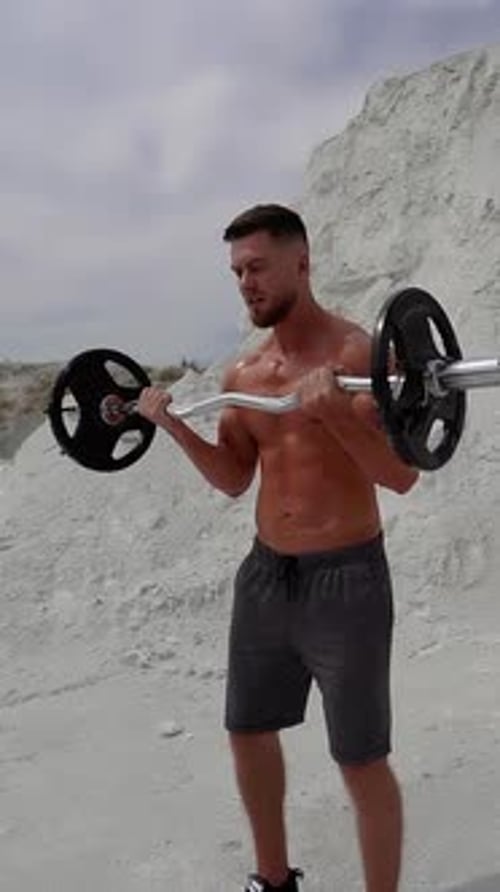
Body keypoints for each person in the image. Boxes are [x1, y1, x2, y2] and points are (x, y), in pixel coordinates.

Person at [137, 204, 419, 892]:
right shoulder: (245, 375)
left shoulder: (357, 356)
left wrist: (332, 415)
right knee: (248, 731)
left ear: (302, 261)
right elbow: (234, 477)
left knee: (359, 758)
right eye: (237, 272)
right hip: (266, 577)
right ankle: (273, 880)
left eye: (258, 267)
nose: (246, 283)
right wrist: (172, 428)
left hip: (347, 580)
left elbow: (400, 475)